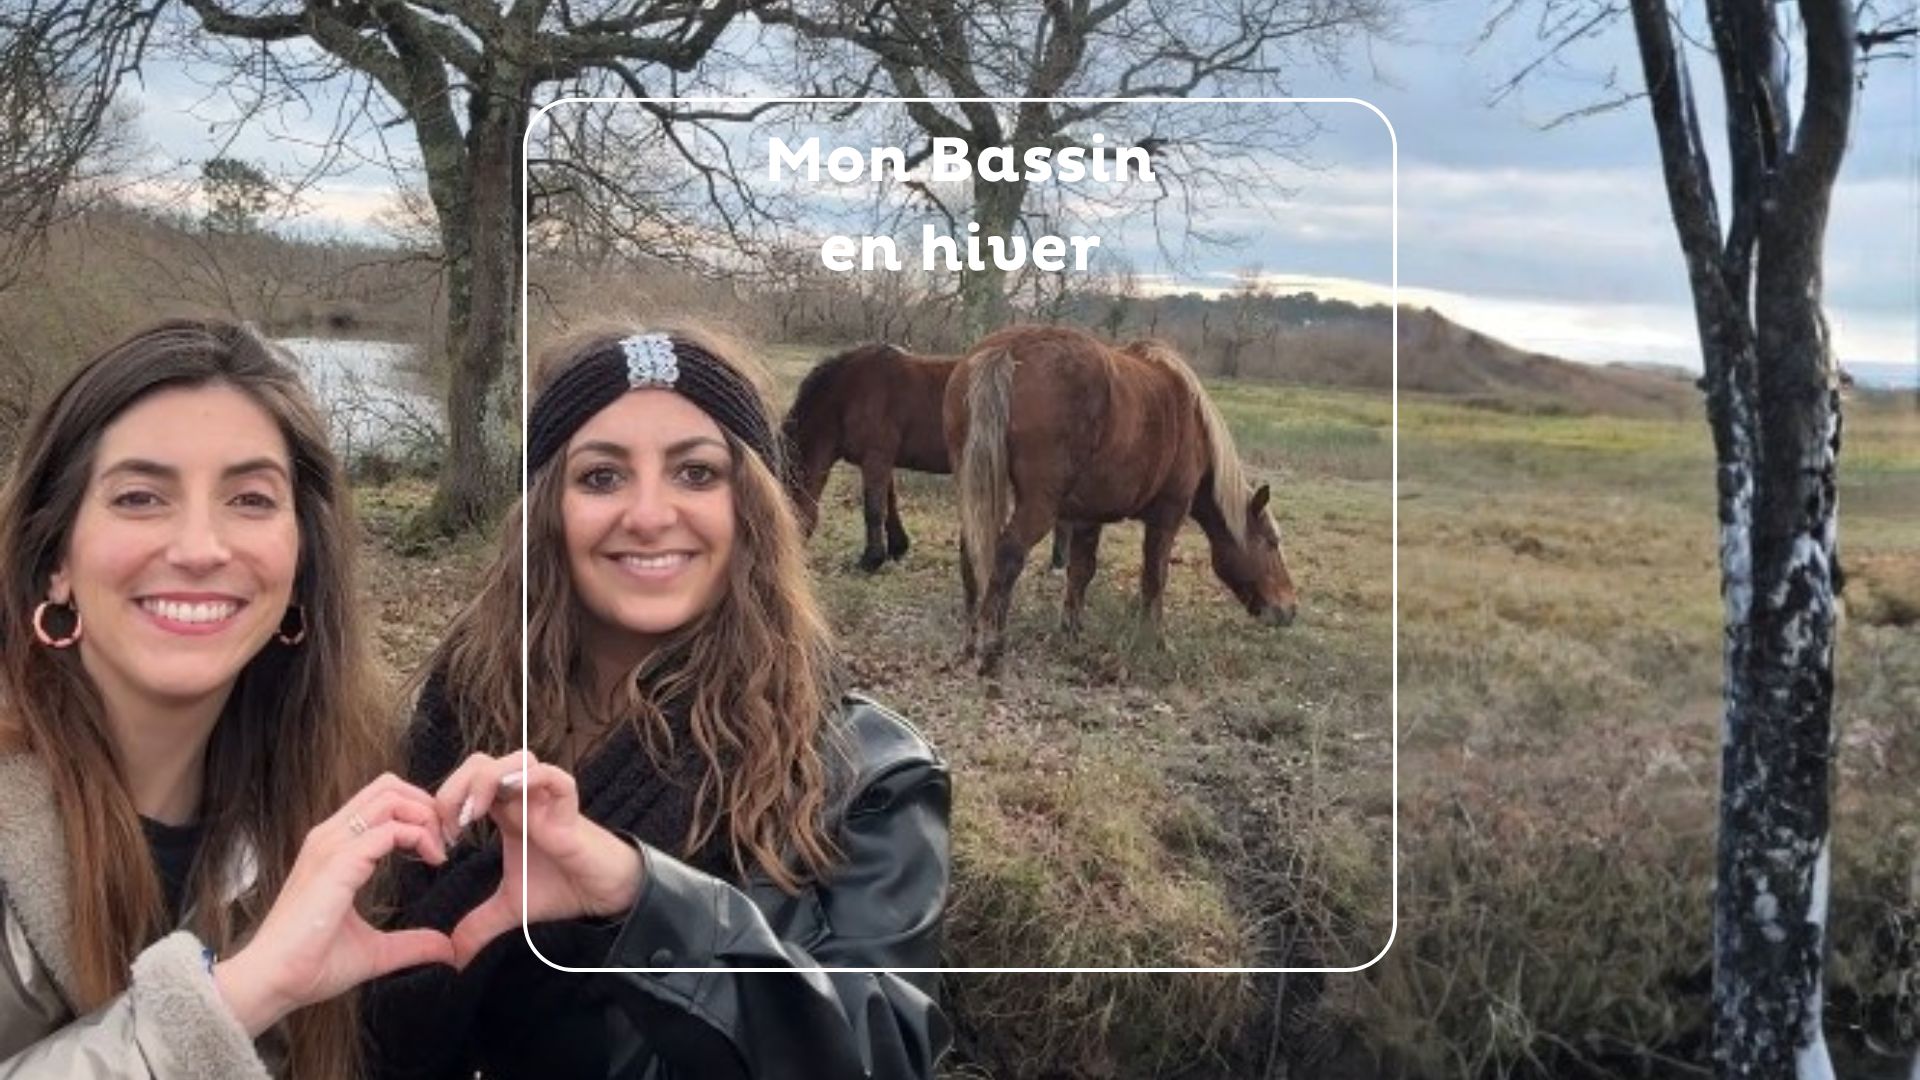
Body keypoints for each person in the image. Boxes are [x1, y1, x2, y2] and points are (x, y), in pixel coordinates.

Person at [367, 329, 952, 1079]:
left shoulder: (868, 776)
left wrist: (645, 901)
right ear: (549, 510)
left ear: (752, 509)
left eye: (697, 473)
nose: (649, 514)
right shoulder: (454, 715)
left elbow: (886, 1054)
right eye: (602, 477)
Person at [0, 319, 458, 1077]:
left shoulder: (324, 803)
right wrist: (234, 1001)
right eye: (141, 497)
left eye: (249, 499)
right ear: (56, 560)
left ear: (301, 558)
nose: (201, 548)